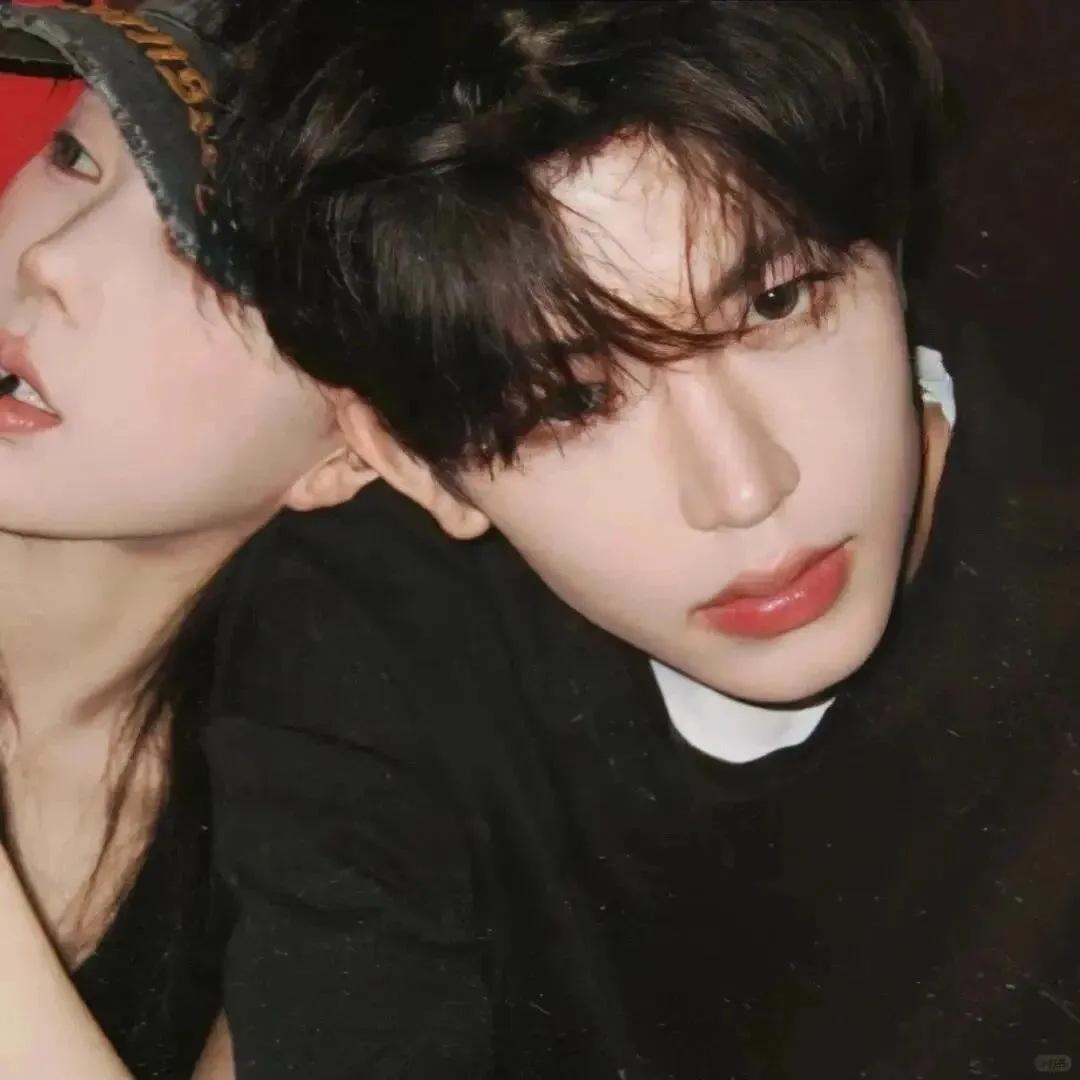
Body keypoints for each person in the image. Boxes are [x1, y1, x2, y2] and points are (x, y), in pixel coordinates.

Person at [178, 1, 1079, 1076]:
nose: (743, 490)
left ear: (884, 244)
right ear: (412, 460)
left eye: (778, 303)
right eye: (568, 404)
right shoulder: (367, 629)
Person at [0, 2, 371, 1076]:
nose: (53, 259)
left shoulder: (328, 827)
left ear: (355, 448)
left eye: (205, 258)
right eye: (75, 157)